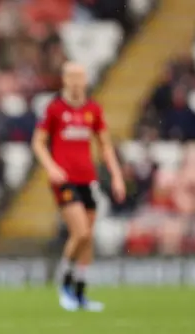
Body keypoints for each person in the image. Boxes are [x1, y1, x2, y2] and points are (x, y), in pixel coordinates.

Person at [32, 61, 125, 312]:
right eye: (70, 76)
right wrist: (51, 167)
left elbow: (105, 145)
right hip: (64, 180)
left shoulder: (92, 109)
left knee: (87, 238)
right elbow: (38, 142)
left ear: (85, 80)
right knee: (81, 232)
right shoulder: (55, 109)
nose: (75, 81)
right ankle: (64, 282)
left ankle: (81, 293)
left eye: (79, 76)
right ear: (64, 80)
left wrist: (116, 176)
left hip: (87, 179)